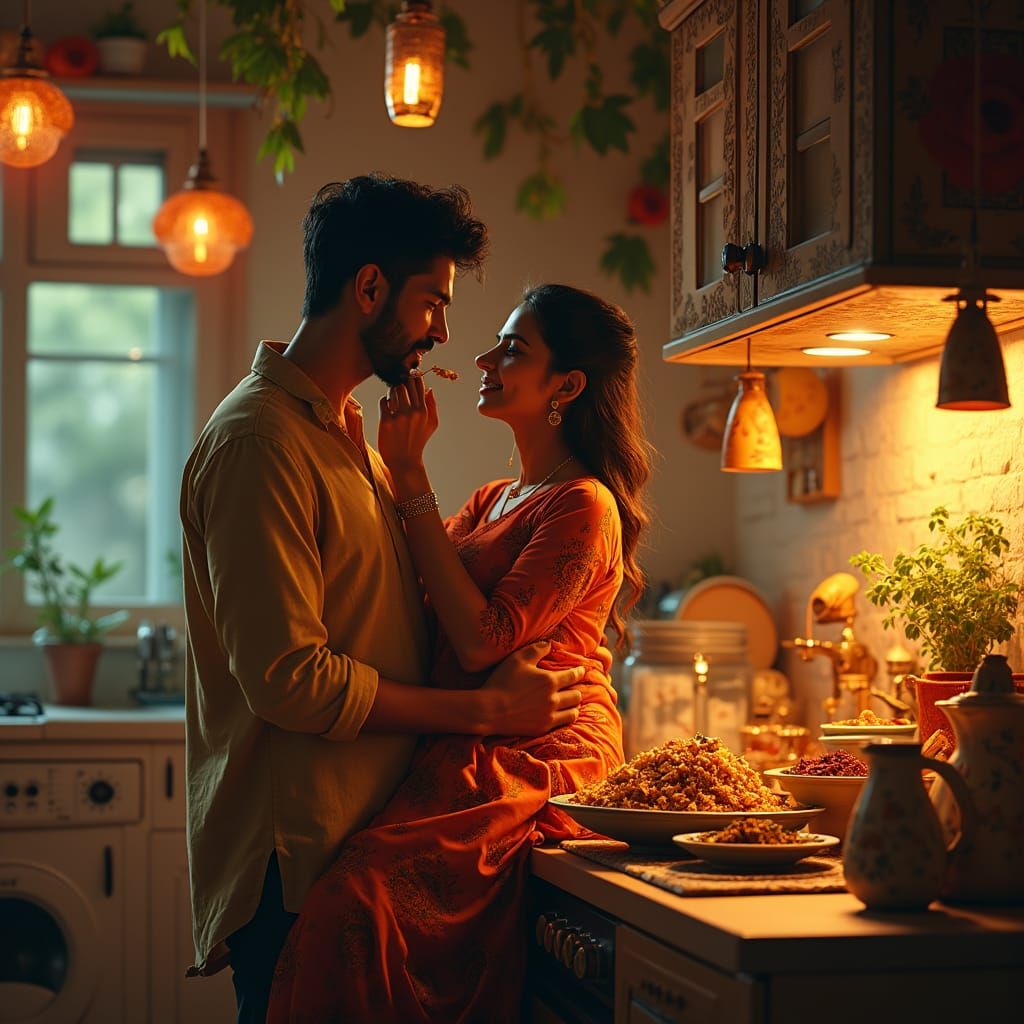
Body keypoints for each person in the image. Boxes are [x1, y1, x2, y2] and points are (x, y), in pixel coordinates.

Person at [179, 177, 589, 1024]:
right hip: (297, 862)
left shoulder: (342, 435)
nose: (444, 330)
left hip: (355, 842)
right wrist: (482, 716)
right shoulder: (262, 441)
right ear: (368, 289)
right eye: (433, 301)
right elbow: (291, 679)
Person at [267, 283, 652, 1023]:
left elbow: (481, 640)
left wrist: (409, 475)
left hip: (537, 748)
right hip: (470, 735)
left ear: (567, 386)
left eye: (514, 350)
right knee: (344, 901)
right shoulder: (489, 499)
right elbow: (419, 600)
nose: (482, 357)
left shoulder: (584, 504)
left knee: (358, 906)